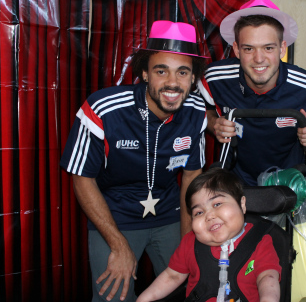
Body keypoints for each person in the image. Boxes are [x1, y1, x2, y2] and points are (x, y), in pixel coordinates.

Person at [60, 20, 208, 302]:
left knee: (190, 289)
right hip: (115, 214)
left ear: (192, 78)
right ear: (144, 73)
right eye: (161, 71)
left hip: (169, 213)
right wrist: (118, 245)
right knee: (113, 295)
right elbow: (81, 178)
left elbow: (191, 177)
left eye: (183, 72)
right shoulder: (104, 108)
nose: (172, 83)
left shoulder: (196, 111)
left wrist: (188, 241)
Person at [196, 0, 306, 186]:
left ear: (282, 49)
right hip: (234, 185)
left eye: (268, 48)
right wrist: (215, 123)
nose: (259, 59)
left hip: (290, 185)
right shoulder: (213, 78)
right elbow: (201, 111)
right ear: (237, 49)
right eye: (248, 49)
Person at [137, 167, 281, 302]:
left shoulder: (259, 242)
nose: (209, 216)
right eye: (199, 212)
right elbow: (172, 276)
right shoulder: (190, 243)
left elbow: (267, 278)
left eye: (217, 204)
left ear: (242, 204)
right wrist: (143, 299)